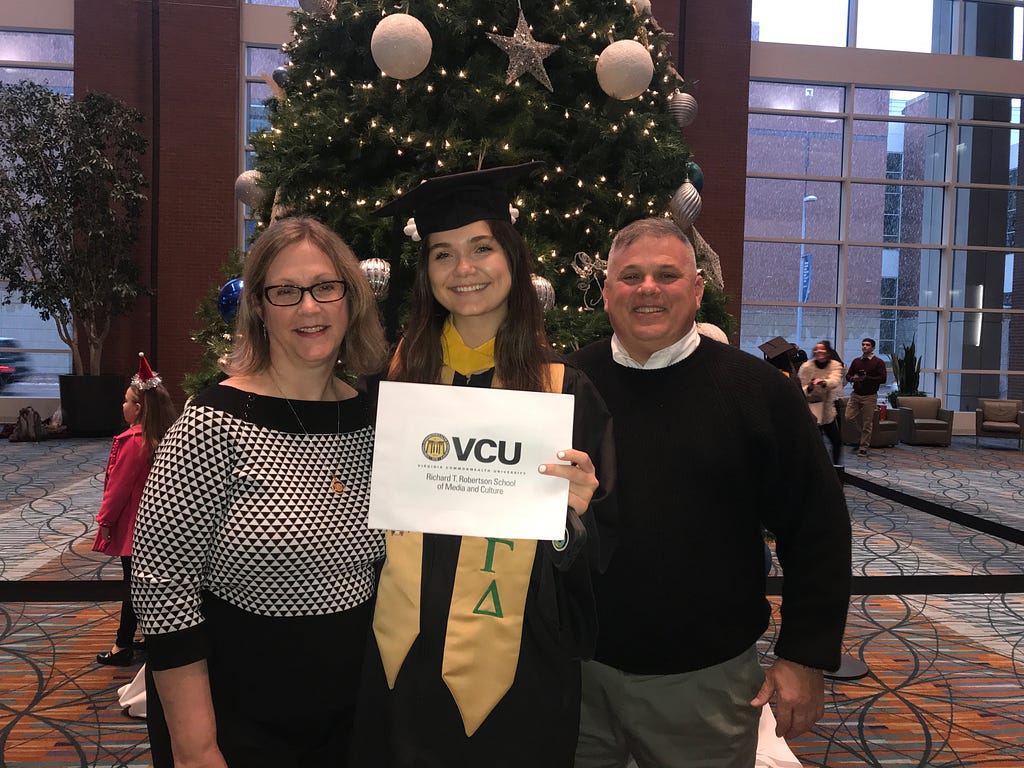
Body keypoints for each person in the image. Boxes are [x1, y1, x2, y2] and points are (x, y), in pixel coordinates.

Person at [351, 162, 616, 767]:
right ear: (427, 273)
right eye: (442, 254)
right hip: (400, 656)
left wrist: (572, 522)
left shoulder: (566, 391)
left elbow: (601, 541)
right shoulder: (389, 387)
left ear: (513, 260)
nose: (463, 269)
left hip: (520, 662)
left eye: (481, 248)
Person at [570, 218, 851, 768]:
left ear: (697, 290)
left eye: (666, 275)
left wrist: (803, 655)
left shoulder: (757, 392)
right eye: (630, 276)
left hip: (706, 682)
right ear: (606, 293)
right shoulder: (564, 382)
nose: (648, 288)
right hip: (574, 675)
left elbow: (816, 527)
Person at [131, 216, 389, 767]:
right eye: (285, 292)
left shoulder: (374, 420)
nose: (310, 307)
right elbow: (163, 588)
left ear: (350, 299)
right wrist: (197, 749)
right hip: (238, 724)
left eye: (325, 286)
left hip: (355, 722)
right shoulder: (211, 424)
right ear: (260, 310)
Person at [93, 353, 177, 667]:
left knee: (132, 586)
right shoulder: (165, 437)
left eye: (127, 401)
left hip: (133, 528)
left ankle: (122, 645)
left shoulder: (133, 442)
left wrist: (104, 520)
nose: (123, 406)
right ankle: (148, 636)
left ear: (139, 408)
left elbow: (117, 490)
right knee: (148, 584)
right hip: (158, 527)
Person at [798, 340, 844, 466]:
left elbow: (835, 380)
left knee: (836, 440)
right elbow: (800, 388)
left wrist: (823, 382)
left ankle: (836, 468)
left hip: (826, 410)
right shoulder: (807, 366)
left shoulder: (834, 365)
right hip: (810, 409)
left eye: (822, 349)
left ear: (828, 352)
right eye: (817, 349)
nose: (819, 351)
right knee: (813, 443)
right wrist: (810, 387)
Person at [844, 337, 887, 457]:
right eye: (863, 344)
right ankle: (860, 437)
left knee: (867, 422)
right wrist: (853, 378)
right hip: (856, 394)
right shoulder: (856, 361)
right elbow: (848, 376)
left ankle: (863, 447)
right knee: (848, 417)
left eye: (867, 345)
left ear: (873, 347)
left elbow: (882, 379)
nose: (864, 347)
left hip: (870, 395)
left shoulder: (878, 362)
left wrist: (866, 378)